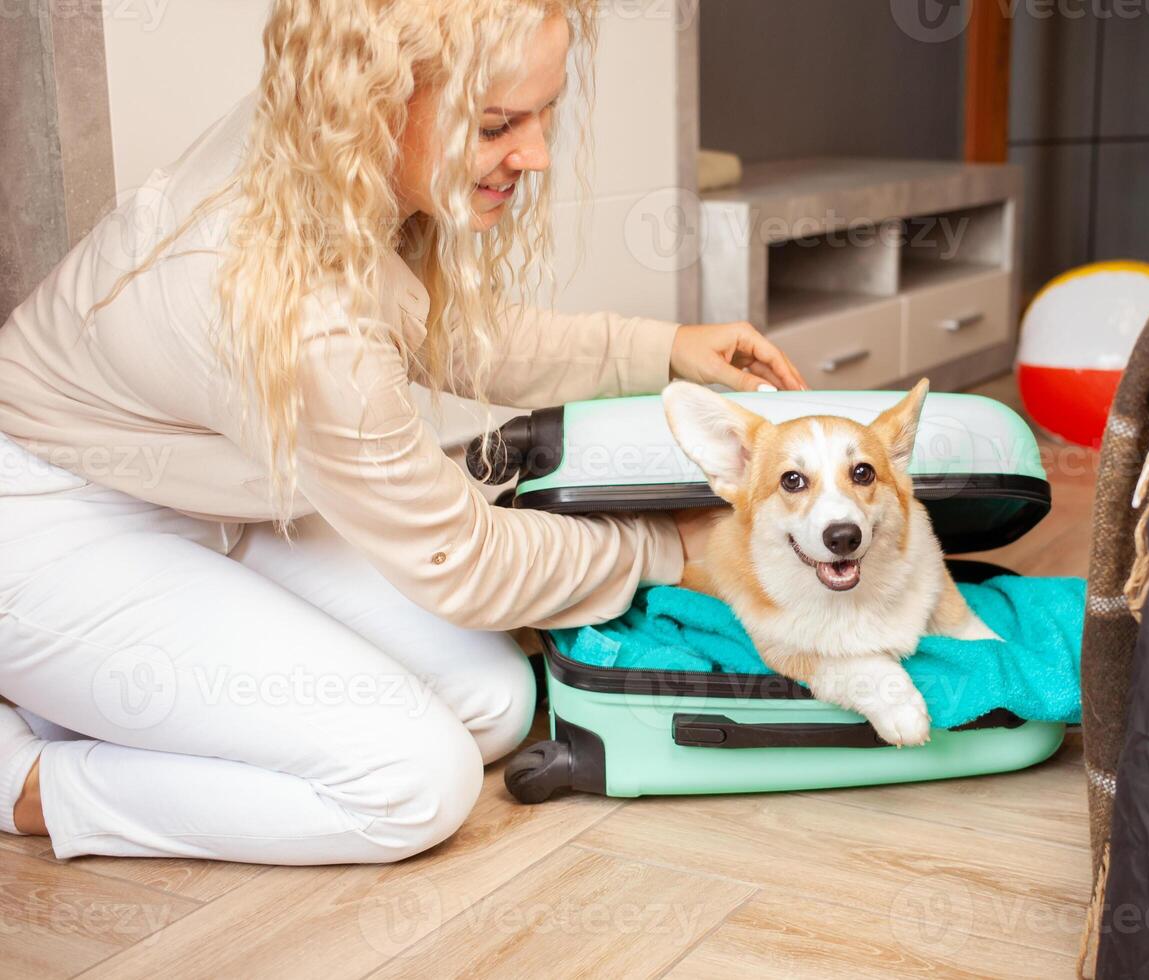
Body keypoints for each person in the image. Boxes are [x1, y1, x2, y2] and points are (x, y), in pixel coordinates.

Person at [0, 0, 804, 865]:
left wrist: (662, 350)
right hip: (45, 523)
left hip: (203, 496)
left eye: (543, 114)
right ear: (378, 98)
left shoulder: (327, 154)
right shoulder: (288, 307)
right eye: (498, 123)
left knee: (494, 702)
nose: (533, 155)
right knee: (414, 784)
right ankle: (31, 778)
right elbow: (462, 562)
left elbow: (436, 336)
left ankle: (78, 687)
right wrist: (668, 549)